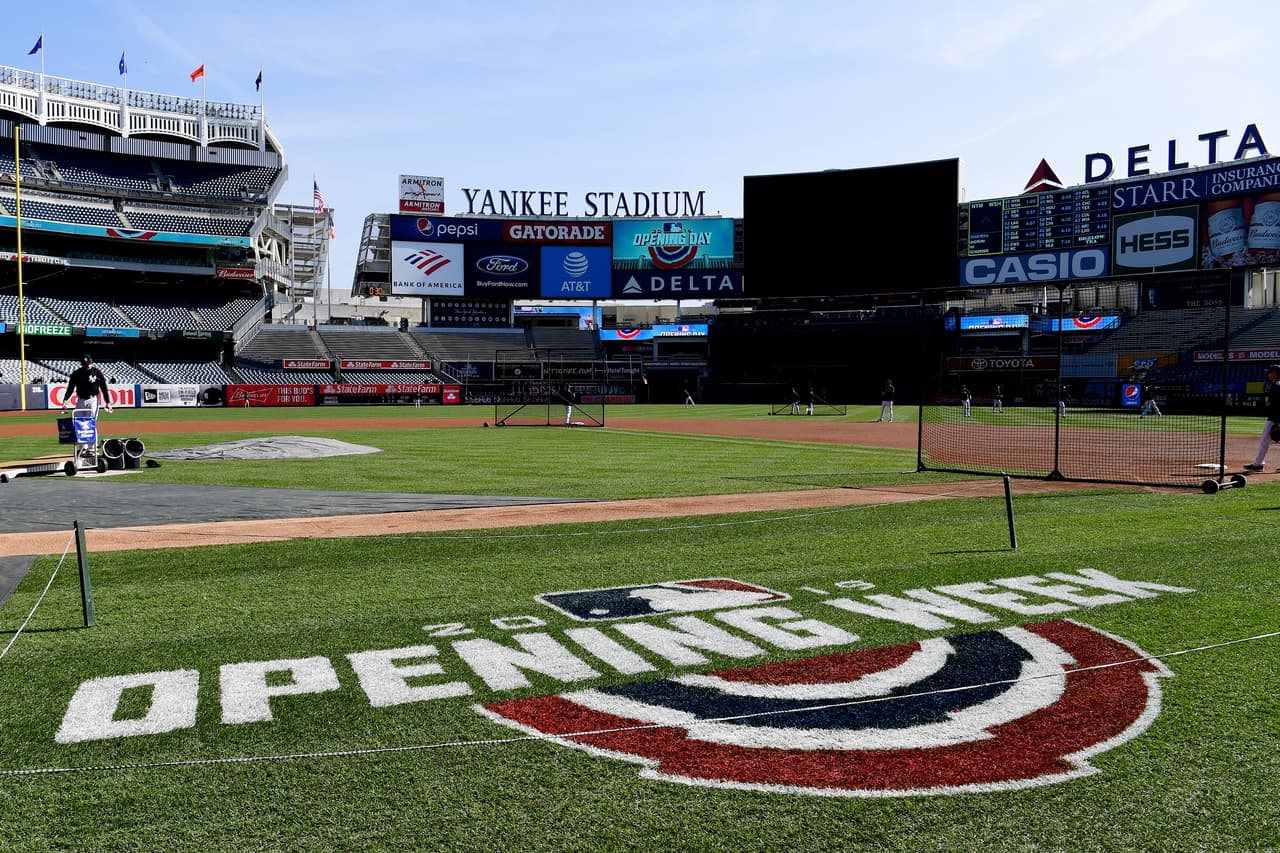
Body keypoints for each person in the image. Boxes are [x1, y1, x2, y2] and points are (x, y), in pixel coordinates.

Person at [1245, 364, 1280, 471]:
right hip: (1274, 417)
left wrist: (1277, 421)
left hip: (1275, 417)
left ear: (1275, 373)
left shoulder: (1278, 385)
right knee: (1265, 440)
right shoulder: (1275, 384)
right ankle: (1258, 464)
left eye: (1270, 372)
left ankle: (1258, 464)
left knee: (1265, 439)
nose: (1268, 374)